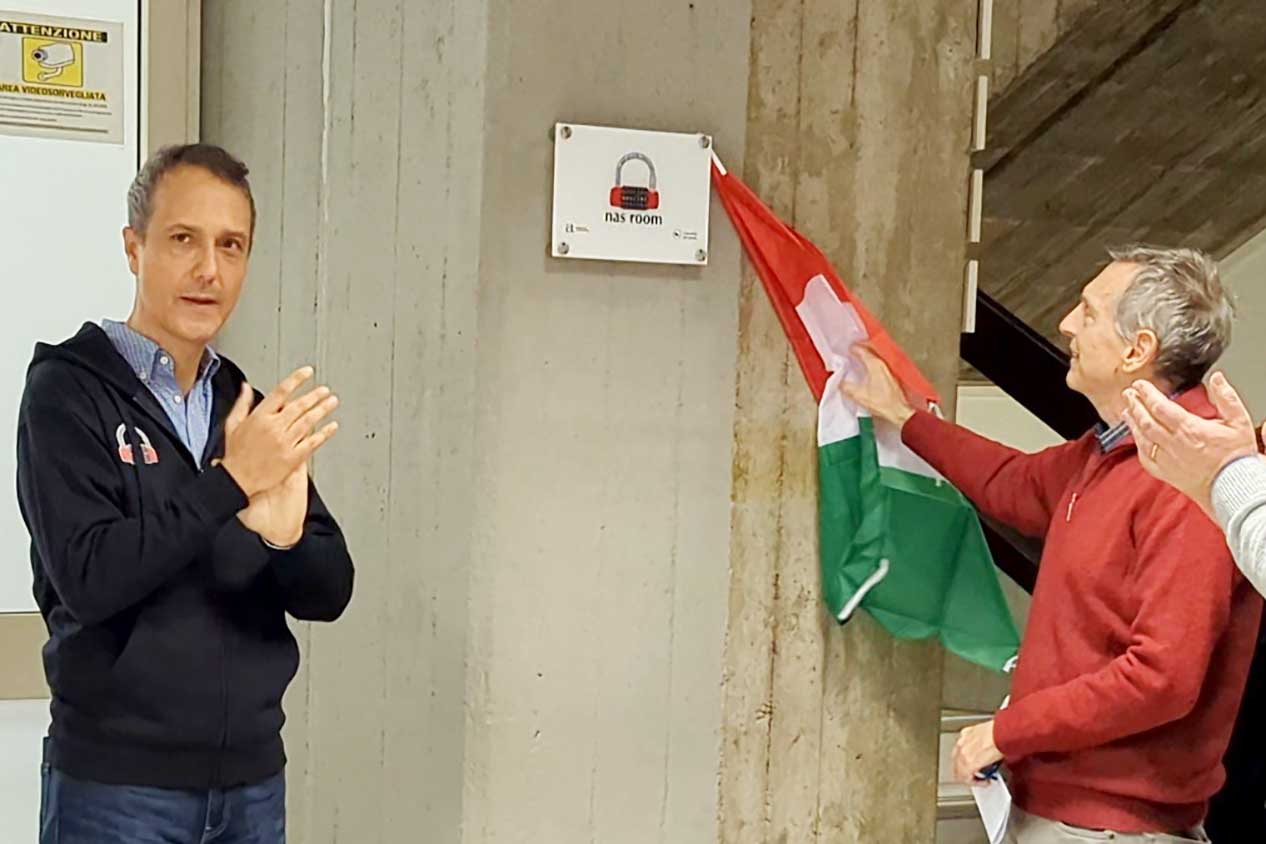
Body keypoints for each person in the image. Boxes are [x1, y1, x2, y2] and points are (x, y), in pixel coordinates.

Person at [844, 246, 1261, 842]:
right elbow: (1012, 484)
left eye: (1088, 312)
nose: (1066, 323)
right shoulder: (1113, 451)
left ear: (1136, 351)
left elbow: (1161, 678)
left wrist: (1008, 730)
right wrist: (904, 417)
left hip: (1107, 828)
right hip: (1069, 816)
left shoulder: (1187, 480)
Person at [17, 144, 354, 844]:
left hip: (252, 789)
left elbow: (328, 594)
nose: (209, 270)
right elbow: (90, 578)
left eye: (231, 246)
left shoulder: (246, 408)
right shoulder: (66, 394)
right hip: (117, 792)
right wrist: (230, 484)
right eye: (183, 240)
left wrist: (284, 538)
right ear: (133, 248)